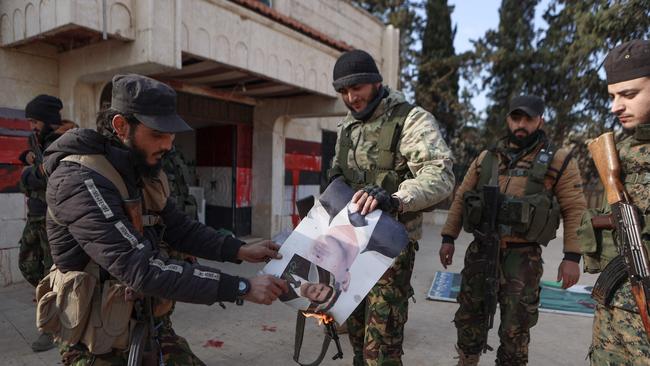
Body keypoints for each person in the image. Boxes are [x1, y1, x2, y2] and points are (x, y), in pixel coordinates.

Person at [41, 74, 288, 365]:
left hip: (147, 325)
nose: (169, 145)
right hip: (96, 343)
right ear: (121, 126)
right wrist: (242, 288)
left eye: (171, 134)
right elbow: (140, 268)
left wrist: (238, 249)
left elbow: (178, 228)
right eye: (158, 134)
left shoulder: (140, 170)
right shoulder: (79, 181)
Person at [439, 95, 587, 365]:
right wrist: (448, 237)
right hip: (482, 251)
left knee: (515, 327)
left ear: (540, 120)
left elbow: (575, 208)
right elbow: (461, 197)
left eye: (528, 119)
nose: (521, 124)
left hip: (523, 258)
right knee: (470, 316)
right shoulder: (488, 157)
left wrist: (572, 258)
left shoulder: (558, 159)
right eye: (516, 118)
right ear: (508, 119)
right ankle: (466, 360)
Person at [328, 49, 454, 365]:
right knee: (355, 336)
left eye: (356, 88)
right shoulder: (347, 127)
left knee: (381, 348)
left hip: (389, 250)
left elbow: (439, 174)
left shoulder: (410, 119)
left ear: (375, 82)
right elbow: (338, 175)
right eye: (343, 91)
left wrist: (396, 198)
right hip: (349, 247)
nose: (351, 97)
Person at [586, 39, 650, 364]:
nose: (615, 107)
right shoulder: (619, 153)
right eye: (612, 96)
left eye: (629, 94)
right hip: (613, 307)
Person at [18, 94, 73, 352]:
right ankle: (56, 302)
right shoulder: (38, 142)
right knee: (28, 266)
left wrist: (31, 174)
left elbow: (52, 178)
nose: (32, 126)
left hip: (55, 220)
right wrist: (30, 164)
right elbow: (31, 178)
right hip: (35, 216)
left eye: (35, 121)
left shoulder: (63, 142)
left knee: (53, 277)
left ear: (49, 120)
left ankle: (51, 329)